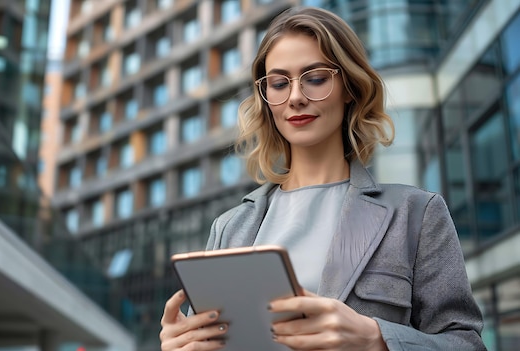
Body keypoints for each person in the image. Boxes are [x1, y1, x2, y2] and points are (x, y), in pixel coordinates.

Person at [160, 6, 486, 351]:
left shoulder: (416, 214)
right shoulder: (229, 227)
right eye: (279, 83)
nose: (296, 97)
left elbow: (466, 343)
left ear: (349, 86)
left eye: (315, 78)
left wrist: (377, 339)